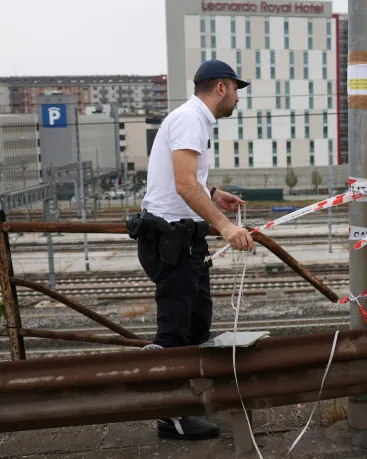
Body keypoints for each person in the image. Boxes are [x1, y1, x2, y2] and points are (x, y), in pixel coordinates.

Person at [126, 59, 254, 440]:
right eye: (235, 89)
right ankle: (172, 415)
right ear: (220, 88)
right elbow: (183, 184)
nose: (236, 97)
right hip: (170, 241)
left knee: (196, 324)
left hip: (183, 239)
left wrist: (214, 193)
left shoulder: (195, 119)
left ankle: (186, 404)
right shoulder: (191, 119)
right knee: (176, 331)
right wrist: (226, 226)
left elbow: (186, 178)